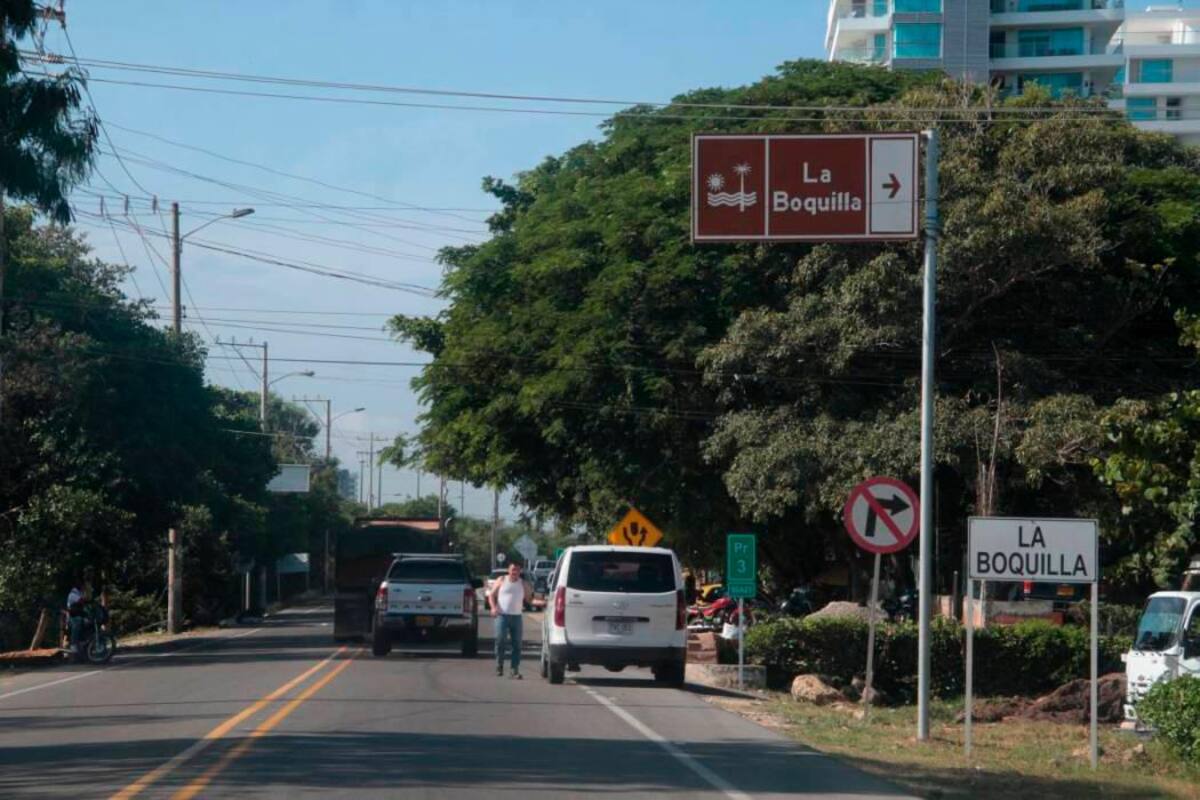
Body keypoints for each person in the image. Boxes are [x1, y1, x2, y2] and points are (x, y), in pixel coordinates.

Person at [488, 561, 532, 678]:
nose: (515, 572)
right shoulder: (501, 580)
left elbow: (529, 599)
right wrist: (493, 608)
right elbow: (491, 595)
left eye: (517, 570)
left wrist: (541, 601)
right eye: (513, 569)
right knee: (500, 640)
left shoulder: (523, 583)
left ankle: (514, 670)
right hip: (502, 616)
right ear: (509, 570)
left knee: (517, 644)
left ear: (520, 571)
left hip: (517, 617)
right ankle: (499, 666)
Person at [66, 581, 86, 654]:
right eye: (83, 586)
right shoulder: (73, 594)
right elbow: (81, 600)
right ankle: (73, 645)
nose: (84, 588)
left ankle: (83, 643)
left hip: (78, 615)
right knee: (77, 625)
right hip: (73, 617)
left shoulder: (79, 593)